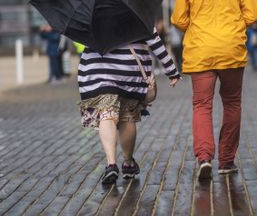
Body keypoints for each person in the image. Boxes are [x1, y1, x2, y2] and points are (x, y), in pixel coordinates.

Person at [171, 0, 257, 180]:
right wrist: (233, 24)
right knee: (232, 103)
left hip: (200, 51)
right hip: (231, 49)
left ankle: (204, 158)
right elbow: (252, 15)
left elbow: (178, 19)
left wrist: (197, 25)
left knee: (202, 105)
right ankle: (227, 160)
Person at [77, 29, 180, 185]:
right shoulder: (136, 11)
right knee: (127, 116)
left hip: (98, 69)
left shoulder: (90, 13)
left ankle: (111, 164)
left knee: (107, 113)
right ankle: (128, 163)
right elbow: (154, 41)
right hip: (129, 70)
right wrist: (171, 70)